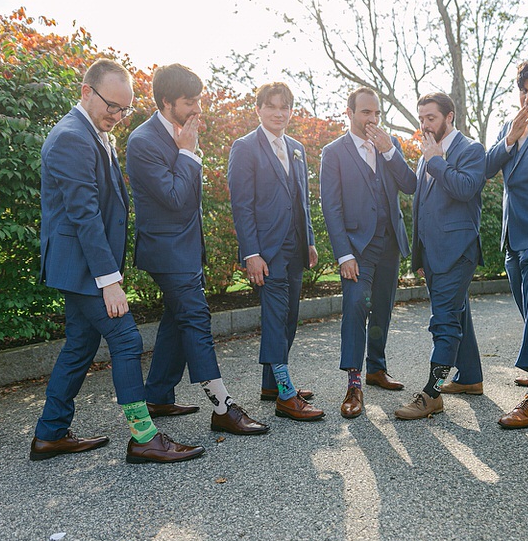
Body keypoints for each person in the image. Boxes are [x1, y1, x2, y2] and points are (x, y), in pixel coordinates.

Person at [31, 59, 204, 465]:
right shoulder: (72, 136)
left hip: (80, 266)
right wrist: (109, 280)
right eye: (112, 105)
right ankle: (144, 437)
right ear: (86, 92)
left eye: (124, 109)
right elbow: (84, 215)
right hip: (83, 267)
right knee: (126, 339)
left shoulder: (93, 133)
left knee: (79, 345)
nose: (118, 115)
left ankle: (50, 434)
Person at [125, 63, 269, 436]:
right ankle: (222, 406)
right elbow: (174, 198)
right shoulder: (143, 141)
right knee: (195, 318)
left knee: (177, 318)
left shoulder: (184, 132)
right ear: (166, 102)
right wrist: (188, 154)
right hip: (166, 251)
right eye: (191, 102)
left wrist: (188, 151)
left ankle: (157, 395)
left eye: (199, 101)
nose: (198, 110)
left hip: (187, 247)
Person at [445, 56, 528, 428]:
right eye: (523, 90)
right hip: (512, 235)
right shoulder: (512, 123)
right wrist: (510, 138)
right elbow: (486, 170)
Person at [227, 82, 325, 420]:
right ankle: (285, 395)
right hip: (266, 252)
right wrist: (250, 252)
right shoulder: (245, 147)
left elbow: (303, 200)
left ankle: (271, 384)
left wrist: (309, 240)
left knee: (289, 318)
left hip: (295, 246)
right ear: (258, 109)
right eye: (271, 106)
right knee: (274, 317)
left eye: (285, 107)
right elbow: (242, 206)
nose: (279, 113)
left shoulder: (296, 147)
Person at [319, 88, 417, 417]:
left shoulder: (391, 145)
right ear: (349, 113)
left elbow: (410, 184)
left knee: (383, 310)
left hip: (390, 243)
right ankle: (353, 384)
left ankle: (376, 368)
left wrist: (390, 151)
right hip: (357, 250)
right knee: (355, 307)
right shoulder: (334, 152)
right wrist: (343, 254)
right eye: (365, 113)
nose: (372, 119)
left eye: (376, 113)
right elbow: (331, 207)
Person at [394, 93, 486, 420]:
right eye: (421, 119)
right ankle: (471, 378)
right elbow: (421, 207)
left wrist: (435, 160)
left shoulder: (472, 150)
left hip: (456, 251)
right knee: (456, 314)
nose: (424, 125)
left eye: (430, 118)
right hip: (432, 253)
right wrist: (419, 255)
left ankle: (432, 394)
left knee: (444, 320)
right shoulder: (426, 154)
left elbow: (465, 189)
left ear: (449, 117)